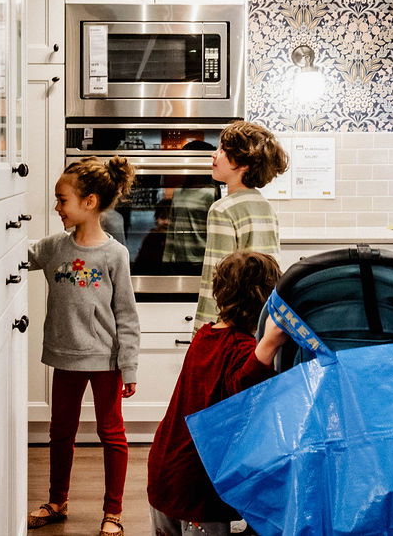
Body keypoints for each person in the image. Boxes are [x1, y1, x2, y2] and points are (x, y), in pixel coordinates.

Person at [26, 156, 141, 536]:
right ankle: (57, 501)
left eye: (62, 200)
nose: (56, 207)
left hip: (105, 361)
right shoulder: (54, 248)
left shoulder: (114, 255)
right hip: (65, 357)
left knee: (112, 435)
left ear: (88, 202)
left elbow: (126, 315)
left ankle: (114, 512)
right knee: (61, 432)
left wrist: (130, 366)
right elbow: (15, 254)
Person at [147, 251, 290, 536]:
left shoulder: (205, 335)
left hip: (164, 470)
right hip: (197, 486)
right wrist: (270, 344)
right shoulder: (242, 349)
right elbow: (244, 389)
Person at [194, 121, 289, 329]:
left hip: (232, 327)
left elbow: (215, 280)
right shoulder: (266, 207)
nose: (214, 154)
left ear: (244, 164)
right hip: (260, 323)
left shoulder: (222, 209)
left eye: (222, 150)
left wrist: (202, 331)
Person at [163, 140, 219, 265]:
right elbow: (172, 227)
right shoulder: (178, 191)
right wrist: (167, 258)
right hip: (178, 260)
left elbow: (215, 232)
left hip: (200, 261)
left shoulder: (211, 193)